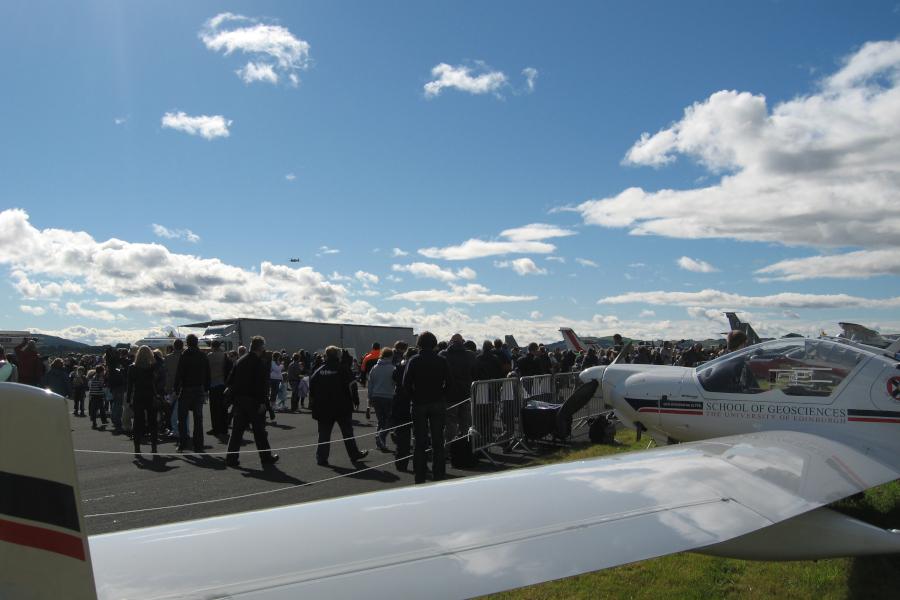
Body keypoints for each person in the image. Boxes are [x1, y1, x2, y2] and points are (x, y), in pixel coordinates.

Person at [403, 331, 451, 484]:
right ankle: (439, 474)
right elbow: (449, 382)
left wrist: (414, 396)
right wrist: (442, 395)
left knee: (420, 442)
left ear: (419, 344)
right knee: (438, 441)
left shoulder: (414, 360)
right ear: (434, 343)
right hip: (437, 402)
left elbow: (406, 383)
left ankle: (420, 475)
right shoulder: (441, 360)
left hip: (419, 403)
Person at [309, 346, 369, 467]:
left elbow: (312, 390)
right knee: (347, 433)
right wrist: (356, 400)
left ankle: (321, 458)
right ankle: (354, 454)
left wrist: (313, 406)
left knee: (324, 434)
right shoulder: (343, 369)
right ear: (337, 355)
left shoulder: (318, 371)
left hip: (323, 408)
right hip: (342, 407)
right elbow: (352, 385)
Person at [225, 336, 278, 467]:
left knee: (237, 431)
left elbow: (230, 381)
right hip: (254, 401)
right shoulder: (259, 363)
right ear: (260, 348)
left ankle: (231, 458)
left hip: (239, 400)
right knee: (259, 432)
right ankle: (265, 457)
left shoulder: (240, 361)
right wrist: (262, 402)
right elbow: (261, 385)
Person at [440, 334, 476, 466]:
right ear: (462, 342)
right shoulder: (470, 355)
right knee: (465, 423)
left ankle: (447, 450)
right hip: (465, 392)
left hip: (450, 393)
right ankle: (464, 449)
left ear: (451, 342)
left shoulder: (444, 354)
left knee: (450, 423)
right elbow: (474, 372)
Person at [174, 334, 210, 453]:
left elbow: (179, 373)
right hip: (199, 389)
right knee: (198, 419)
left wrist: (176, 389)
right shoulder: (202, 355)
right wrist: (206, 389)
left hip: (186, 389)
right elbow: (208, 373)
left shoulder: (185, 355)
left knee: (182, 418)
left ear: (187, 343)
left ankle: (183, 443)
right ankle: (198, 445)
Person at [127, 345, 160, 456]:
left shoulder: (132, 367)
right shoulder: (153, 366)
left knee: (137, 422)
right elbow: (158, 381)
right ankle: (154, 447)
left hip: (138, 396)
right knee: (153, 422)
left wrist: (128, 400)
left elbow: (130, 385)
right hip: (151, 395)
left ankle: (137, 448)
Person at [366, 347, 396, 452]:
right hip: (388, 396)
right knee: (391, 420)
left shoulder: (374, 368)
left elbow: (370, 384)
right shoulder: (393, 368)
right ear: (390, 356)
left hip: (376, 396)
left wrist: (369, 398)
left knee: (381, 420)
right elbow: (395, 383)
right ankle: (381, 435)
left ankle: (380, 443)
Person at [207, 340, 231, 438]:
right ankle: (224, 428)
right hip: (223, 384)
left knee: (214, 408)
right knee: (223, 407)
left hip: (213, 384)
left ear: (212, 346)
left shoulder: (209, 356)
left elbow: (206, 370)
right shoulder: (225, 355)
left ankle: (216, 428)